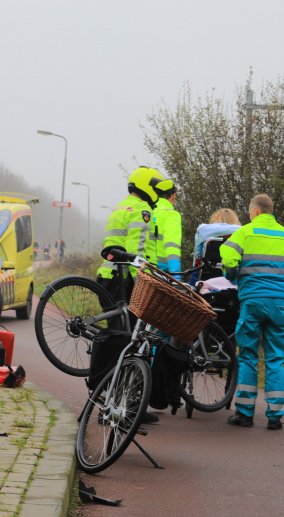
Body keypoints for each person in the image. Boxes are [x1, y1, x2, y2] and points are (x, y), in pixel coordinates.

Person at [220, 194, 284, 430]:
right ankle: (275, 417)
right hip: (280, 304)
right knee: (275, 359)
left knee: (248, 355)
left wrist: (233, 276)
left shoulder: (245, 232)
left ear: (256, 211)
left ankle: (245, 414)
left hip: (252, 301)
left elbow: (228, 258)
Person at [96, 166, 169, 425]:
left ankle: (112, 405)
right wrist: (148, 283)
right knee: (130, 344)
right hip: (125, 280)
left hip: (107, 277)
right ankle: (121, 408)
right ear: (146, 186)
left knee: (117, 341)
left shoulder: (120, 207)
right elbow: (137, 253)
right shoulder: (142, 211)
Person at [190, 209, 242, 285]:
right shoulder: (241, 235)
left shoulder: (204, 234)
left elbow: (196, 264)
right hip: (236, 282)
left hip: (207, 282)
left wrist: (192, 286)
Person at [153, 177, 182, 279]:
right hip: (163, 274)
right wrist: (176, 275)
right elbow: (172, 245)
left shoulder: (147, 212)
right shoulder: (171, 215)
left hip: (144, 270)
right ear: (173, 196)